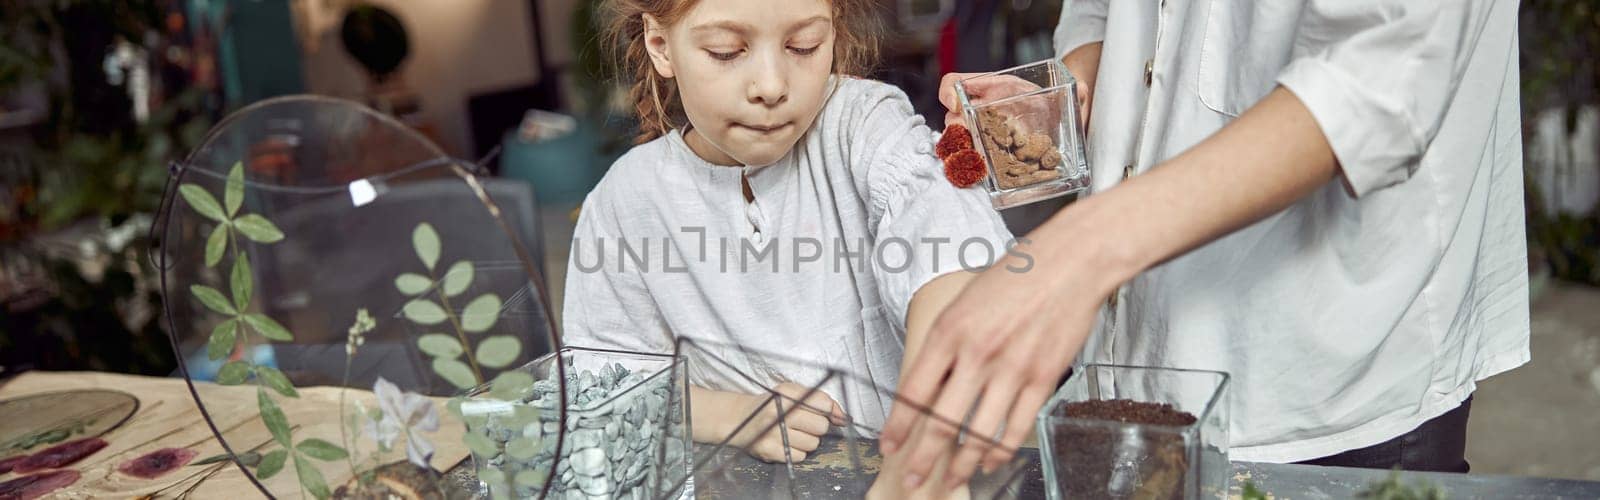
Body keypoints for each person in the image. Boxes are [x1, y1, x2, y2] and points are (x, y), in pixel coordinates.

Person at [880, 0, 1530, 491]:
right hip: (1126, 360)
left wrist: (1076, 250)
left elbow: (1389, 71)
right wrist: (1073, 92)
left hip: (1326, 382)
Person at [565, 0, 1011, 488]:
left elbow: (948, 248)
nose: (772, 86)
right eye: (726, 51)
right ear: (660, 45)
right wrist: (732, 415)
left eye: (803, 46)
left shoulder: (861, 122)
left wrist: (923, 451)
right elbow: (601, 390)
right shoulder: (624, 202)